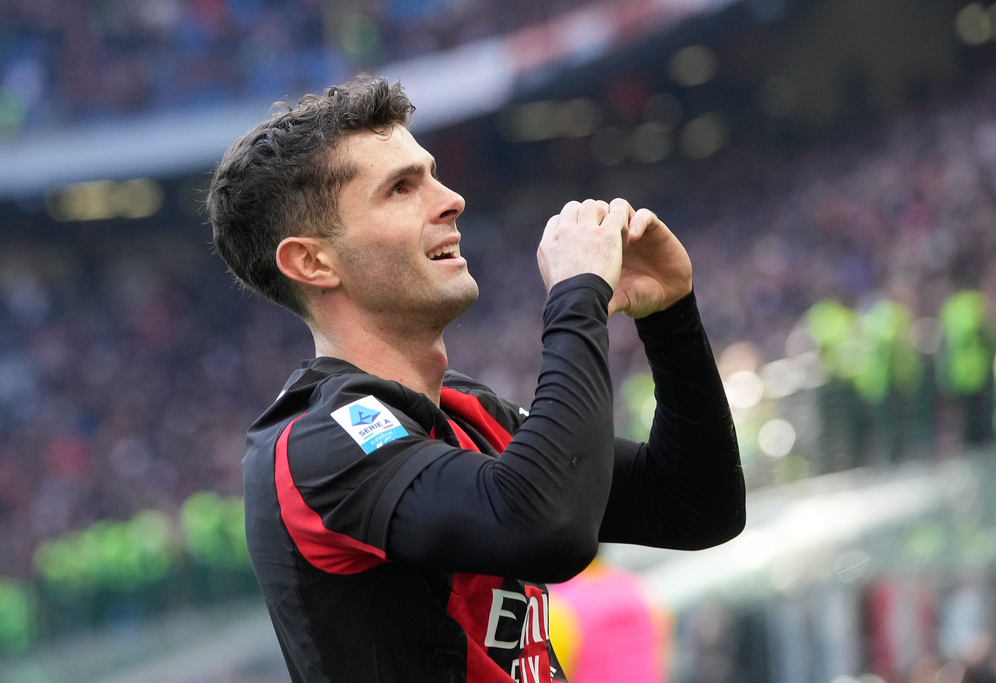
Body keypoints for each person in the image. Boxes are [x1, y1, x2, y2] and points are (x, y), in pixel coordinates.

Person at [205, 75, 745, 683]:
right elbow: (546, 529)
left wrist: (669, 318)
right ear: (312, 261)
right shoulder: (313, 444)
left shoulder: (467, 409)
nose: (452, 199)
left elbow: (696, 507)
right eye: (401, 188)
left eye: (432, 175)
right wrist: (577, 297)